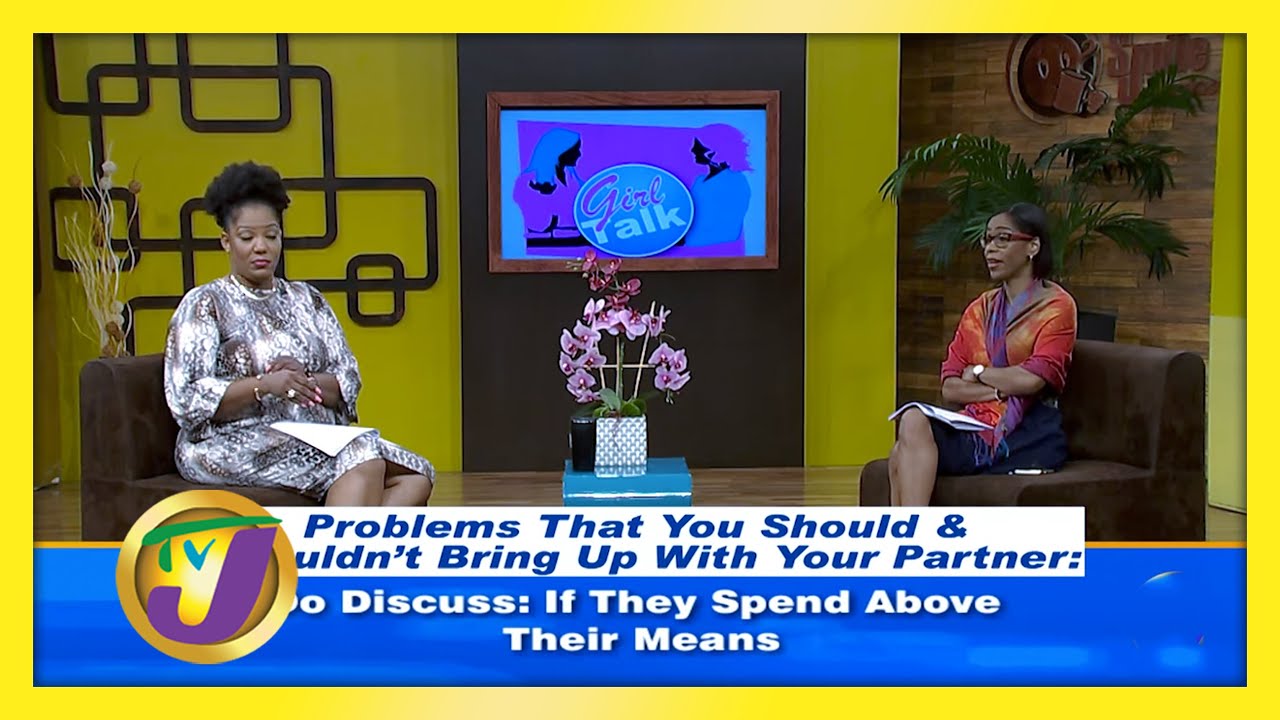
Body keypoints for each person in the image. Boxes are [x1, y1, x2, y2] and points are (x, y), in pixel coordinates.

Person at [163, 161, 434, 506]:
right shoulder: (206, 303)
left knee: (416, 474)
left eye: (271, 235)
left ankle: (332, 538)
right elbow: (186, 397)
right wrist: (265, 385)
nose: (261, 247)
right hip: (228, 442)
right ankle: (335, 541)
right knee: (363, 458)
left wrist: (303, 380)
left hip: (310, 433)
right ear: (226, 242)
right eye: (247, 237)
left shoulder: (308, 299)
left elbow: (347, 376)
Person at [889, 202, 1078, 506]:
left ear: (1033, 247)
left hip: (1026, 434)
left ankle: (911, 531)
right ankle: (910, 531)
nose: (990, 249)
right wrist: (999, 390)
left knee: (906, 441)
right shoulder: (980, 309)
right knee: (909, 427)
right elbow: (950, 387)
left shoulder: (1056, 307)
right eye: (987, 239)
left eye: (1002, 239)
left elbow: (1032, 380)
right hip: (975, 424)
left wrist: (979, 373)